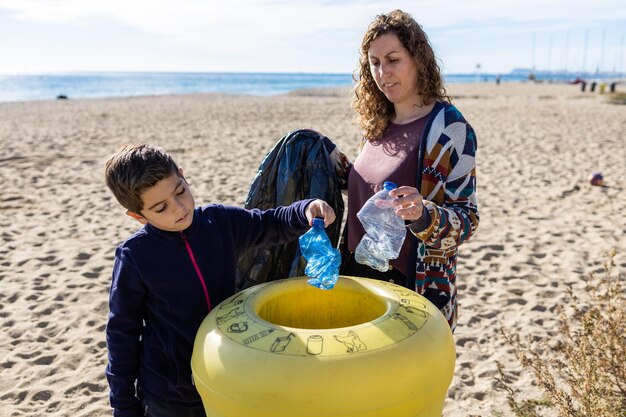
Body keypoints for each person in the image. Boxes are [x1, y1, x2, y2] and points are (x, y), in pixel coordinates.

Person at [103, 144, 335, 417]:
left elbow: (269, 224)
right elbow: (122, 334)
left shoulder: (220, 223)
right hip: (170, 393)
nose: (178, 208)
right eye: (160, 208)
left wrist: (304, 210)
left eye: (180, 191)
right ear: (139, 217)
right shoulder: (135, 256)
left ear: (183, 175)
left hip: (226, 374)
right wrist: (123, 405)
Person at [342, 9, 479, 331]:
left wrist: (422, 214)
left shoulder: (450, 130)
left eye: (393, 59)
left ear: (417, 59)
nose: (383, 72)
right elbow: (368, 188)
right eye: (374, 63)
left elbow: (467, 221)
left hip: (410, 292)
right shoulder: (377, 125)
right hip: (356, 278)